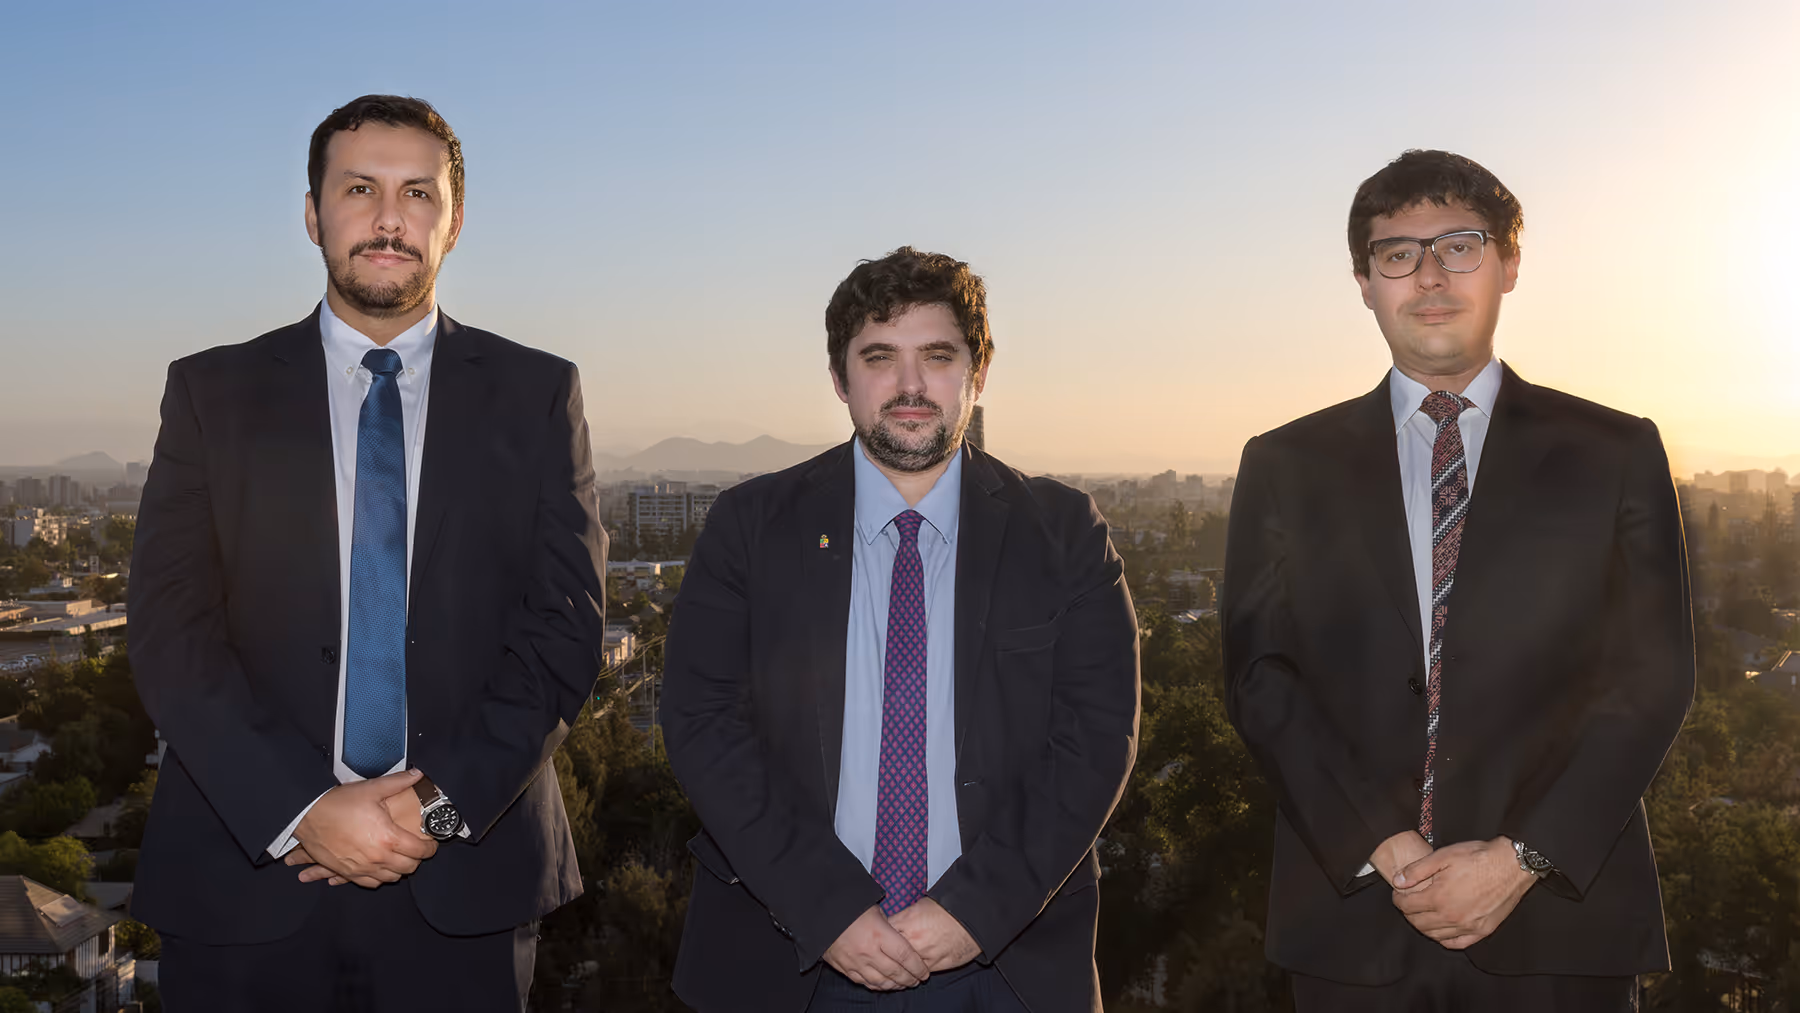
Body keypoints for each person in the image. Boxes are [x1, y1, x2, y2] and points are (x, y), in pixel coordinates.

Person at [128, 94, 608, 1012]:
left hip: (462, 884)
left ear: (453, 221)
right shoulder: (210, 393)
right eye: (359, 189)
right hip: (245, 876)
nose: (390, 218)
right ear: (312, 214)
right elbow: (167, 629)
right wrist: (303, 809)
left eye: (418, 193)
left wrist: (427, 809)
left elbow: (564, 632)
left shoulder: (539, 393)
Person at [1222, 149, 1693, 1010]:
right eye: (1397, 253)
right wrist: (1387, 846)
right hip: (1353, 917)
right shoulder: (1283, 463)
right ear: (1364, 281)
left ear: (1510, 262)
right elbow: (1260, 677)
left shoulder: (1615, 452)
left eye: (1460, 246)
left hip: (1559, 925)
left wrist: (1522, 857)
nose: (1429, 275)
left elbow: (1652, 676)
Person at [661, 247, 1140, 1012]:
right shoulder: (750, 525)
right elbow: (703, 723)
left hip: (1004, 963)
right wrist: (827, 906)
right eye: (880, 357)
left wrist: (972, 910)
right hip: (790, 957)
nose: (910, 385)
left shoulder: (1064, 532)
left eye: (938, 356)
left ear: (977, 373)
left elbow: (1095, 737)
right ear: (840, 378)